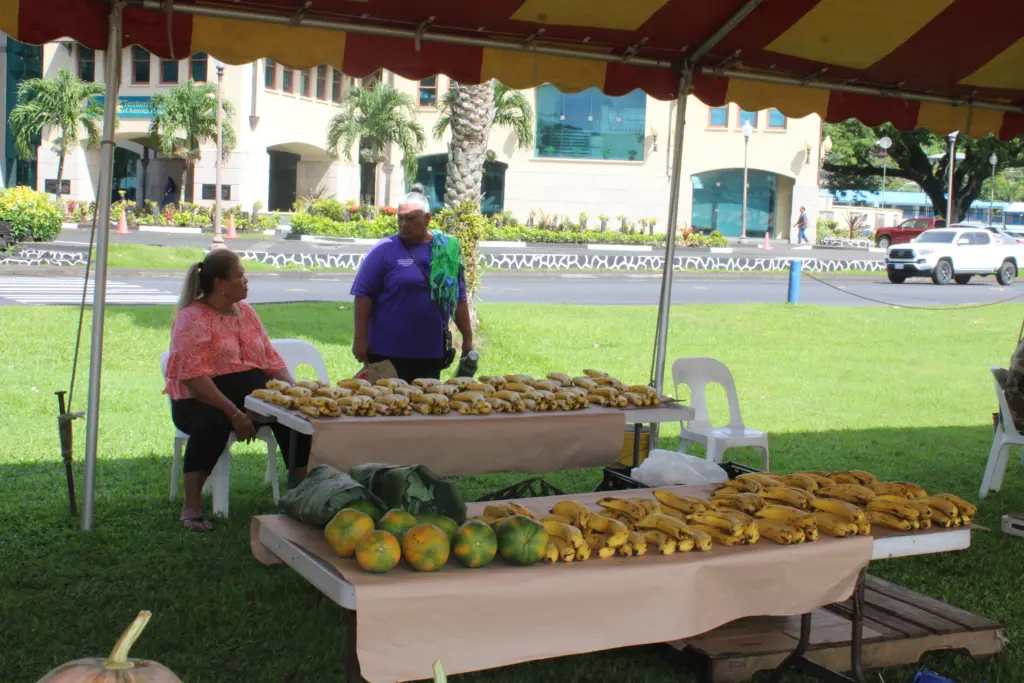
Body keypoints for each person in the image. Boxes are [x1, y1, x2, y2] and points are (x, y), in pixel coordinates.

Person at [164, 249, 311, 531]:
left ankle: (301, 493)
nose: (246, 281)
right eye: (240, 275)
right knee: (212, 426)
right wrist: (234, 413)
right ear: (220, 284)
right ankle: (191, 507)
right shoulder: (191, 319)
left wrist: (296, 393)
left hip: (251, 399)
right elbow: (195, 379)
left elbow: (270, 359)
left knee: (297, 416)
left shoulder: (247, 312)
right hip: (201, 400)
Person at [350, 184, 473, 383]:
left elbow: (459, 298)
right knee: (384, 406)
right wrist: (360, 339)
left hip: (430, 352)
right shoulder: (384, 250)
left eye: (411, 219)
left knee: (425, 406)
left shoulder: (447, 250)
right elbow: (363, 295)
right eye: (400, 218)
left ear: (427, 219)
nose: (404, 224)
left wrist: (467, 337)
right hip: (387, 352)